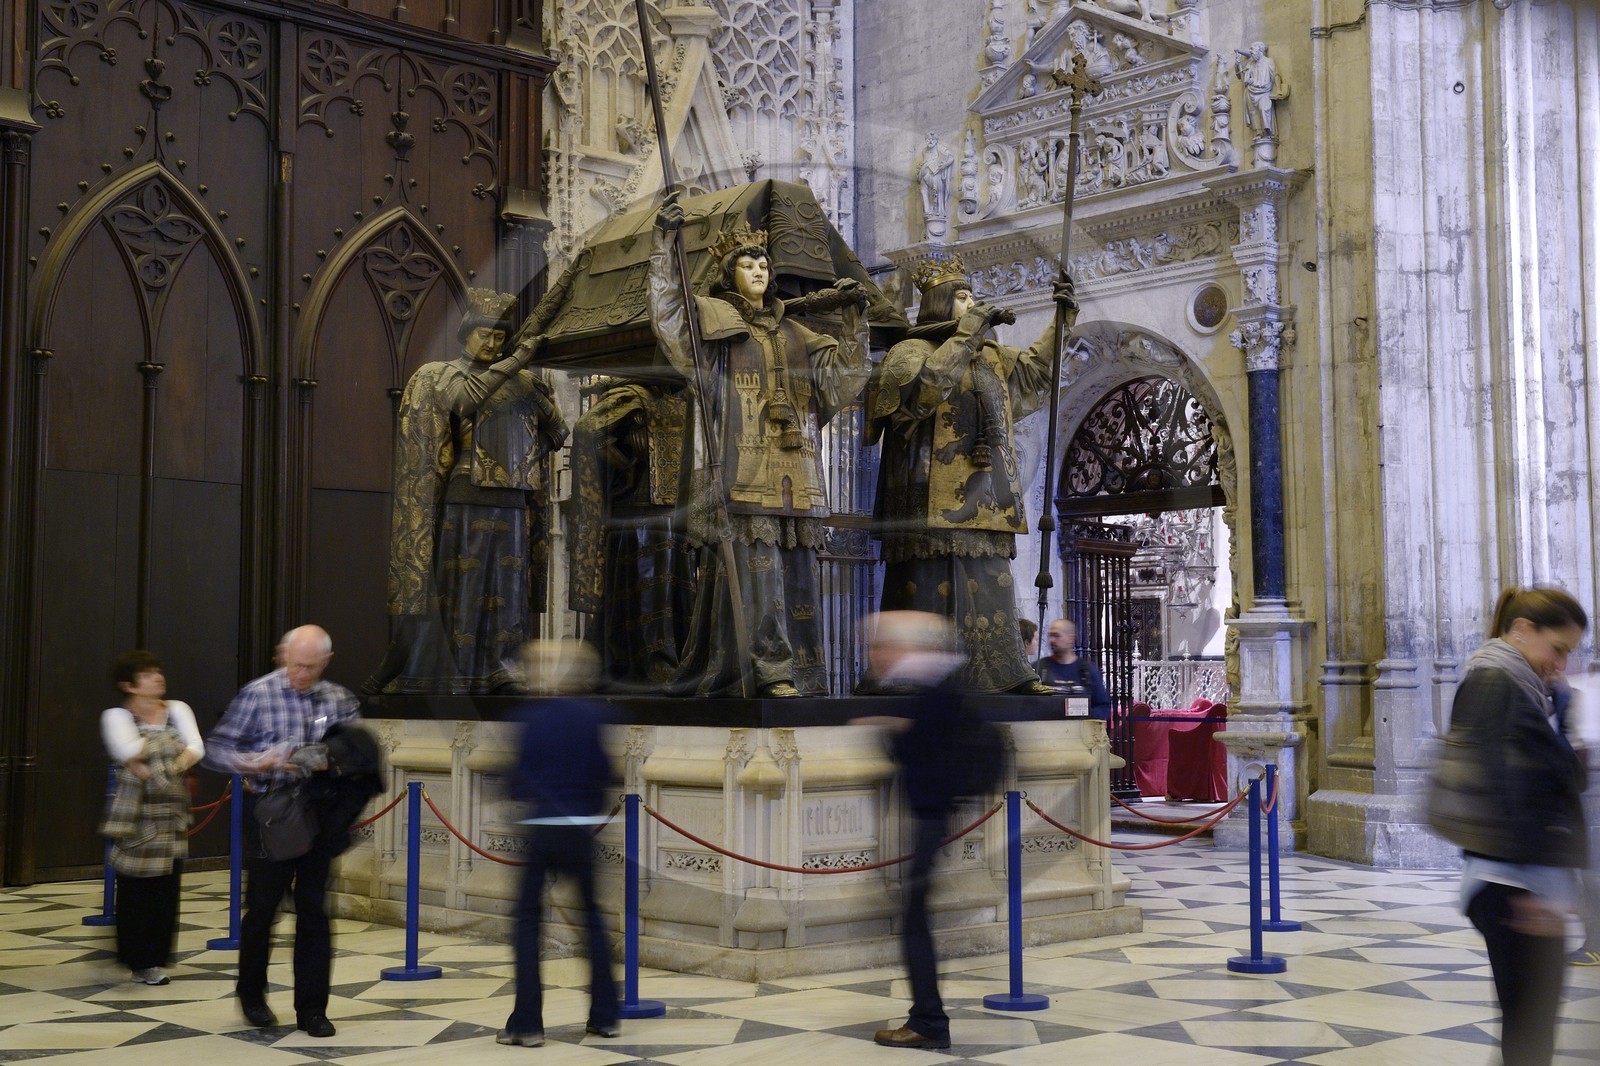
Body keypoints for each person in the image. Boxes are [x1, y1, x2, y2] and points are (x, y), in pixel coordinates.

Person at [648, 190, 868, 697]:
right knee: (757, 578)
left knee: (797, 579)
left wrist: (855, 322)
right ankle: (768, 671)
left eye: (764, 263)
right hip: (740, 473)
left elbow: (842, 382)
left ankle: (802, 673)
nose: (759, 271)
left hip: (796, 473)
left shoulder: (798, 333)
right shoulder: (714, 320)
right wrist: (664, 245)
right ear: (729, 274)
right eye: (747, 264)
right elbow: (670, 318)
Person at [866, 251, 1074, 693]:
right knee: (928, 587)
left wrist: (1062, 321)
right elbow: (922, 395)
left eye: (973, 297)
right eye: (962, 297)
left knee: (992, 587)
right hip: (926, 499)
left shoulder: (989, 355)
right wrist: (966, 334)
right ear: (940, 302)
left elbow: (1035, 375)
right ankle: (920, 683)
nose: (973, 304)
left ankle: (1007, 673)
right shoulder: (909, 352)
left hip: (985, 497)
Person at [370, 288, 570, 694]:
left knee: (507, 588)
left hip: (513, 498)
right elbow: (465, 401)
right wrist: (516, 360)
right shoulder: (443, 374)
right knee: (465, 586)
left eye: (500, 337)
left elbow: (558, 428)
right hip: (465, 494)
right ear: (466, 335)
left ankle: (501, 666)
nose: (492, 344)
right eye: (485, 335)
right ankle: (455, 669)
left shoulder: (525, 383)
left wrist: (528, 455)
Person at [1429, 587, 1589, 1066]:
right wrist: (1530, 893)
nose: (1561, 664)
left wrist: (1564, 714)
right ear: (1522, 630)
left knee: (1529, 1026)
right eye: (1557, 648)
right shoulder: (1495, 682)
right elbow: (1497, 786)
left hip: (1525, 880)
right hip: (1515, 885)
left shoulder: (1525, 687)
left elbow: (1563, 776)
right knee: (1529, 1031)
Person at [205, 625, 361, 1038]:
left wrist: (330, 762)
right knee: (262, 909)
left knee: (314, 912)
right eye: (295, 665)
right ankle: (252, 995)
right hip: (270, 812)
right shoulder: (258, 694)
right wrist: (257, 761)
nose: (302, 674)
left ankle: (312, 1009)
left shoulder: (340, 699)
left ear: (326, 662)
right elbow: (216, 749)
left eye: (311, 667)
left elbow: (357, 754)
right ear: (281, 656)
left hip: (319, 815)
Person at [499, 640, 620, 1048]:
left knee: (527, 923)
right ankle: (605, 1015)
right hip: (579, 829)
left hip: (541, 827)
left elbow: (516, 778)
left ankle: (527, 1023)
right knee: (592, 921)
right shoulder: (595, 715)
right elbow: (604, 772)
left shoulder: (528, 716)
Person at [856, 612, 968, 1050]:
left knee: (915, 924)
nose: (875, 655)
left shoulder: (935, 689)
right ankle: (927, 1019)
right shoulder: (938, 684)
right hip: (932, 815)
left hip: (930, 817)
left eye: (881, 646)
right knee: (914, 920)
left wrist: (890, 733)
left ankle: (929, 1023)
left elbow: (924, 751)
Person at [98, 650, 203, 986]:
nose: (157, 678)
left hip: (171, 807)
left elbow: (196, 747)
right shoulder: (117, 715)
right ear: (128, 685)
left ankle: (155, 957)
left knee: (166, 886)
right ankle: (138, 959)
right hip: (137, 811)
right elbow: (126, 750)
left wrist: (158, 762)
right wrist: (171, 747)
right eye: (147, 674)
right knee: (135, 887)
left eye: (158, 671)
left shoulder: (178, 709)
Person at [1035, 618, 1112, 719]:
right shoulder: (1038, 669)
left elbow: (1103, 708)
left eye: (1057, 636)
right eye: (1051, 635)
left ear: (1071, 639)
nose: (1052, 640)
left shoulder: (1088, 671)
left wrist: (1082, 714)